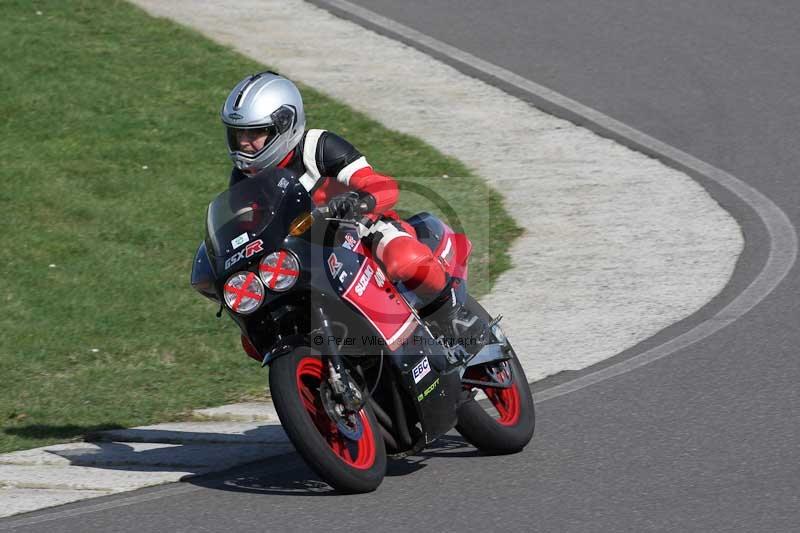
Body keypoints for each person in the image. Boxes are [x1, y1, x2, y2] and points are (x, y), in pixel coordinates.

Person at [220, 71, 449, 303]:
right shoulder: (242, 180)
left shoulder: (317, 147)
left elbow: (382, 186)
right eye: (237, 133)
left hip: (361, 231)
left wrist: (357, 202)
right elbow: (247, 232)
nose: (243, 143)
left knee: (404, 259)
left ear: (284, 125)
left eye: (255, 132)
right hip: (302, 255)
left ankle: (449, 310)